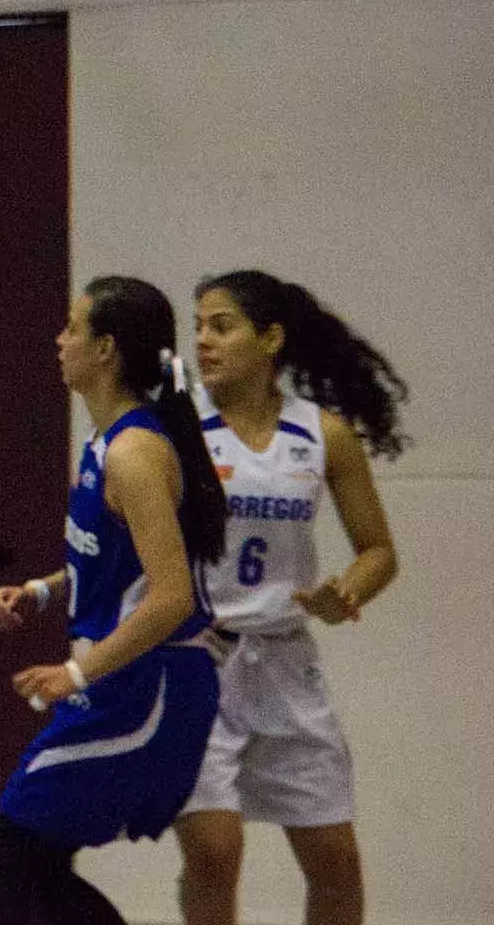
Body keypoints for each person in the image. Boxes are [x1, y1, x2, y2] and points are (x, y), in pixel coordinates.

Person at [0, 275, 228, 925]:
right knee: (24, 864)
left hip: (152, 686)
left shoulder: (134, 454)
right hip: (129, 680)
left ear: (106, 350)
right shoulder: (104, 443)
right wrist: (41, 591)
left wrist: (74, 671)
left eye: (72, 328)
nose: (59, 340)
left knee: (14, 860)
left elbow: (171, 597)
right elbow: (115, 566)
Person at [175, 270, 407, 925]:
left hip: (284, 664)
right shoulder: (178, 428)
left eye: (221, 326)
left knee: (335, 860)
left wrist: (347, 591)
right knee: (215, 852)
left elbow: (379, 550)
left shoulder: (322, 434)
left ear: (270, 338)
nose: (204, 341)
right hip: (200, 658)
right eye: (198, 328)